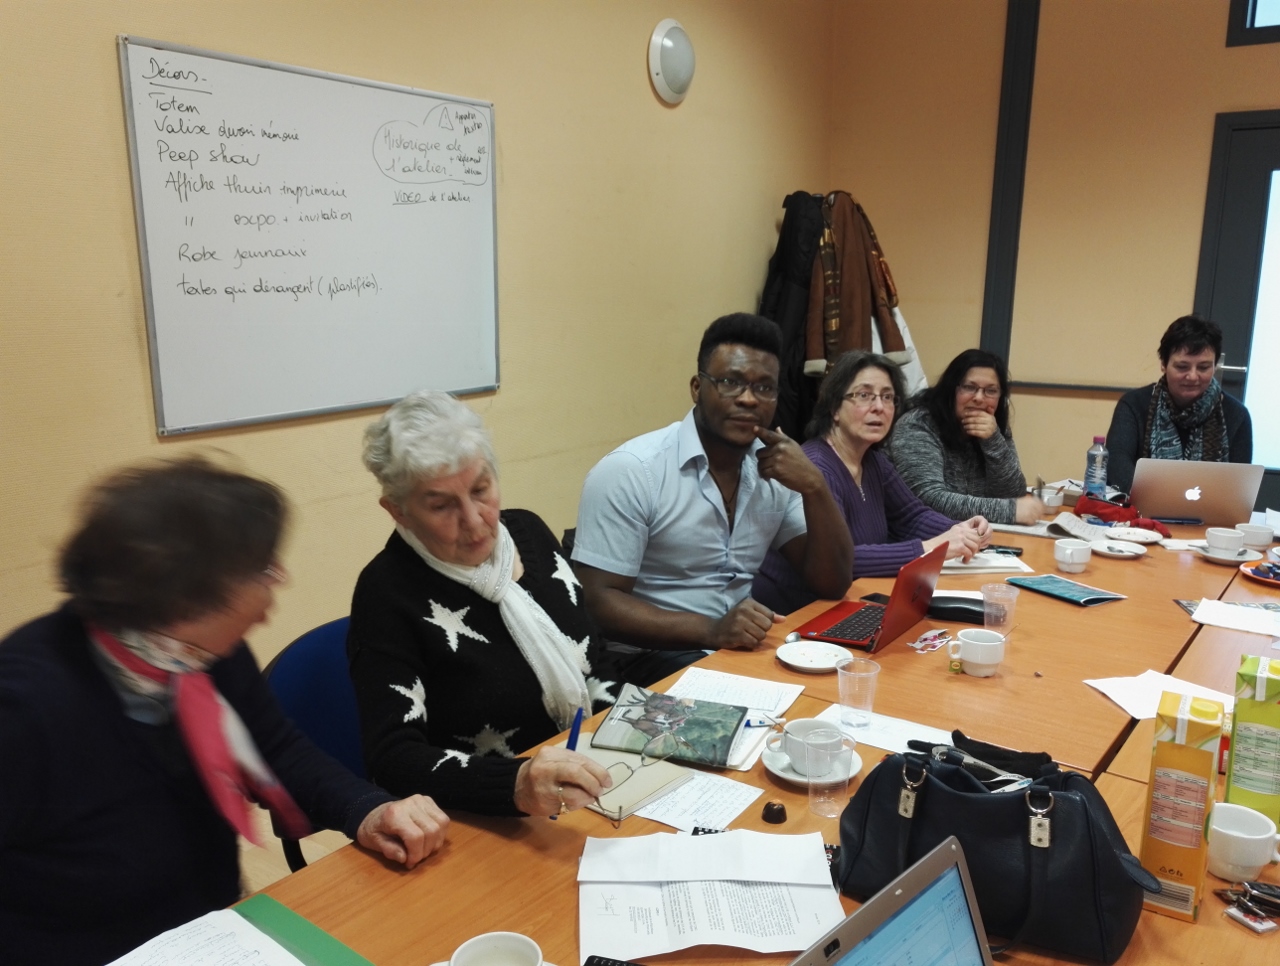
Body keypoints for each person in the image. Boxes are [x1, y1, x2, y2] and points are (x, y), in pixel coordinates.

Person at [0, 457, 448, 966]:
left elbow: (276, 747)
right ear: (183, 599)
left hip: (214, 932)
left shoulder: (200, 656)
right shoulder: (24, 707)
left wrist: (365, 809)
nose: (276, 586)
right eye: (263, 571)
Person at [348, 390, 617, 819]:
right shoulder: (387, 593)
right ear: (398, 511)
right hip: (486, 817)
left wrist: (643, 726)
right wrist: (515, 784)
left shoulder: (528, 532)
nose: (474, 521)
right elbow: (393, 760)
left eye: (481, 490)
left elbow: (595, 660)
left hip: (591, 779)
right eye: (441, 505)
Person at [572, 313, 854, 685]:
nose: (749, 399)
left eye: (764, 387)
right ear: (696, 388)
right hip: (644, 661)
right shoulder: (633, 471)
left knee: (845, 691)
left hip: (735, 653)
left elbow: (832, 582)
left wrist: (816, 486)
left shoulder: (776, 469)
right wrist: (712, 630)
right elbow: (598, 601)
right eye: (730, 383)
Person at [754, 351, 992, 613]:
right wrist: (932, 547)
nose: (879, 406)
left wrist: (961, 530)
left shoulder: (873, 461)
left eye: (887, 397)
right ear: (834, 408)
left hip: (850, 603)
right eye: (864, 395)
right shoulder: (816, 467)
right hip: (796, 613)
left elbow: (911, 516)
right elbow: (840, 562)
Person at [887, 348, 1044, 525]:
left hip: (977, 533)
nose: (979, 398)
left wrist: (993, 441)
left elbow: (1013, 494)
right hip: (923, 534)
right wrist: (1009, 511)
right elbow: (927, 499)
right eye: (969, 387)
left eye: (991, 391)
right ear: (951, 389)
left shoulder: (994, 425)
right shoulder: (917, 424)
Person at [1105, 315, 1253, 492]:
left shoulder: (1236, 415)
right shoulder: (1134, 404)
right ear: (1163, 364)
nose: (1192, 376)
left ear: (1215, 367)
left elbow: (1239, 486)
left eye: (1203, 367)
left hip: (1212, 509)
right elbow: (1116, 463)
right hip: (1142, 506)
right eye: (1182, 367)